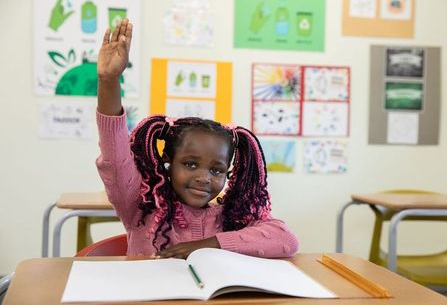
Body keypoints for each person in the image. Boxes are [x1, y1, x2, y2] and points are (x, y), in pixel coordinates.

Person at [96, 18, 299, 259]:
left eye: (217, 170)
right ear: (169, 160)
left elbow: (286, 239)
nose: (204, 178)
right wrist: (108, 81)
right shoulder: (141, 207)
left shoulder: (232, 216)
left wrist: (210, 244)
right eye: (190, 164)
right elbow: (116, 156)